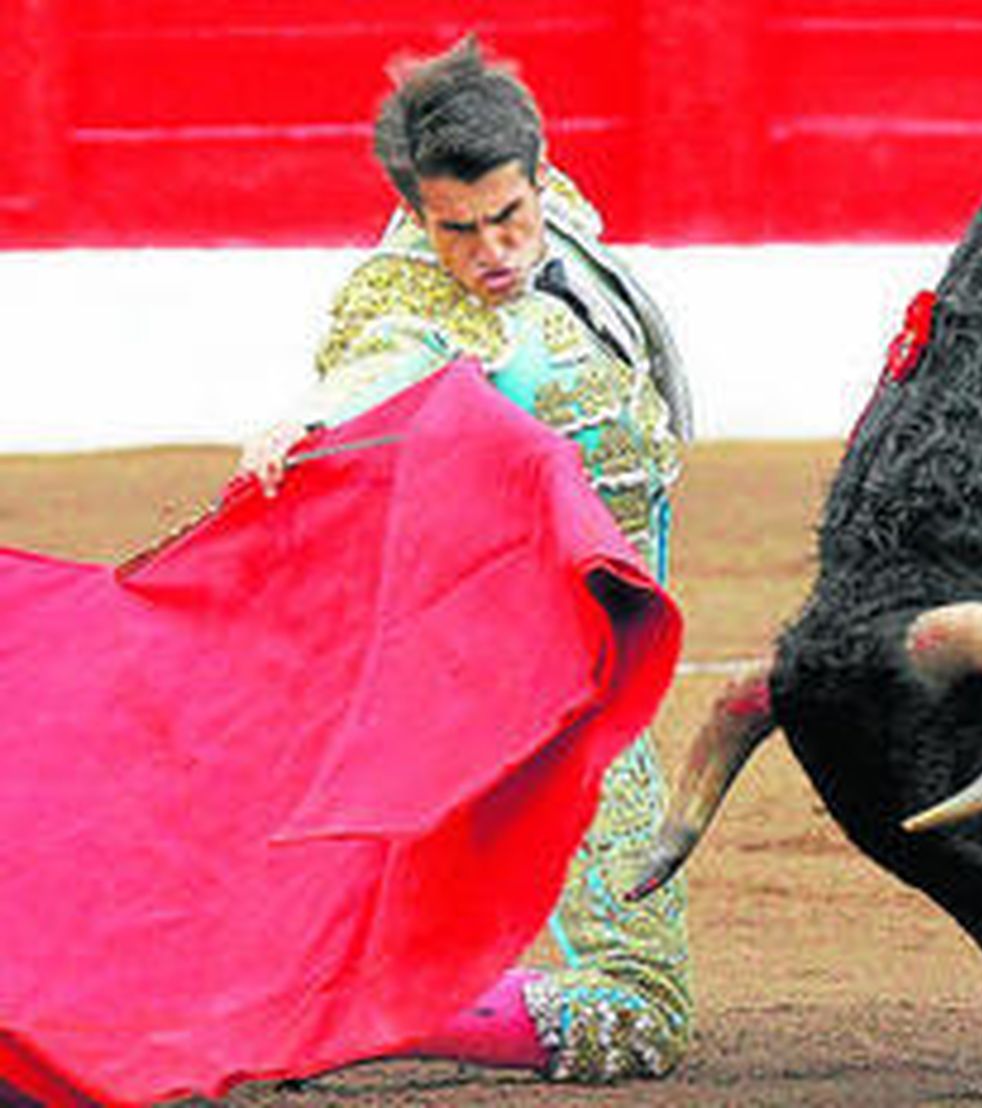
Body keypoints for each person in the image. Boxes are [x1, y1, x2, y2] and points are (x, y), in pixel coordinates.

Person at [238, 35, 693, 1083]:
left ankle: (327, 984)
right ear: (414, 214)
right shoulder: (409, 300)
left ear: (541, 174)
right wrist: (299, 421)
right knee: (640, 1012)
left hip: (583, 635)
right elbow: (377, 365)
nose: (492, 251)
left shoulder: (553, 209)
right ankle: (343, 1015)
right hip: (550, 664)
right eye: (458, 230)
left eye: (509, 216)